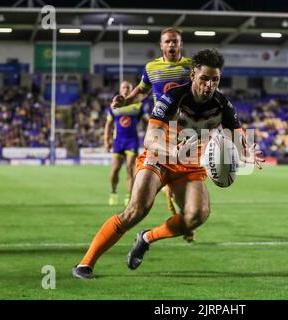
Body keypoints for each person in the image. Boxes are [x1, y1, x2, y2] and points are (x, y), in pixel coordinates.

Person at [72, 49, 264, 279]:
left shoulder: (223, 104)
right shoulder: (173, 97)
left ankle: (146, 238)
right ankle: (86, 263)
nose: (210, 85)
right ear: (193, 75)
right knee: (136, 211)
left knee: (197, 215)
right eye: (204, 78)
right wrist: (172, 149)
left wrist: (247, 152)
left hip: (190, 164)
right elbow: (149, 138)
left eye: (215, 80)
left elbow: (238, 136)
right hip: (160, 157)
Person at [121, 27, 193, 236]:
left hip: (186, 133)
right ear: (161, 45)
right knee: (165, 184)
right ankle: (181, 220)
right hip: (160, 132)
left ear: (181, 44)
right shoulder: (151, 68)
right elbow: (141, 92)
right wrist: (124, 100)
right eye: (168, 42)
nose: (171, 45)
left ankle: (183, 219)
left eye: (175, 41)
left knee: (185, 183)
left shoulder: (191, 67)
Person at [105, 80, 148, 206]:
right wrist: (106, 140)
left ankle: (129, 197)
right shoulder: (114, 106)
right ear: (120, 90)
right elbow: (108, 124)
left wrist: (149, 135)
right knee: (115, 170)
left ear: (131, 90)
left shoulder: (138, 106)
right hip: (118, 141)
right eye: (123, 87)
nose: (126, 90)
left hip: (132, 141)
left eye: (128, 88)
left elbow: (148, 121)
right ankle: (113, 192)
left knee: (130, 169)